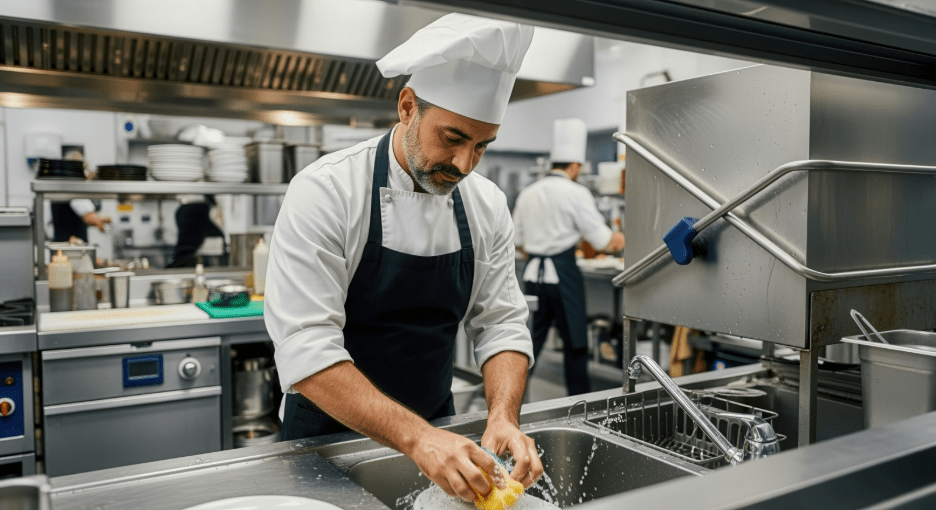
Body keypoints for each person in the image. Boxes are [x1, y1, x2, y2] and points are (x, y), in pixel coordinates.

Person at [264, 13, 544, 504]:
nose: (464, 165)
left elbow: (501, 323)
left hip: (442, 434)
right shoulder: (326, 190)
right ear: (408, 106)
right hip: (326, 441)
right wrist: (417, 439)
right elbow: (306, 345)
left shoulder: (487, 204)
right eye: (453, 138)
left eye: (481, 146)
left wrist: (503, 415)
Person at [512, 118, 625, 396]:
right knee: (575, 342)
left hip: (533, 274)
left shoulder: (528, 192)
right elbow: (603, 241)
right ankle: (579, 402)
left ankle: (513, 400)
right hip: (563, 273)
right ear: (575, 166)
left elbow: (517, 242)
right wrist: (628, 240)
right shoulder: (576, 192)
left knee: (531, 341)